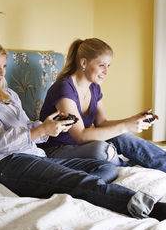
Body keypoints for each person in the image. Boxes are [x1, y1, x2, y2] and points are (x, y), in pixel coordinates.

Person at [0, 39, 166, 222]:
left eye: (4, 67)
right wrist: (42, 129)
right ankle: (149, 208)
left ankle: (69, 188)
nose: (2, 73)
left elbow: (29, 129)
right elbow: (1, 142)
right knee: (82, 180)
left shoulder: (9, 95)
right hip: (8, 163)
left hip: (36, 155)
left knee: (107, 168)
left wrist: (48, 126)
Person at [39, 38, 166, 172]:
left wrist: (131, 121)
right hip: (56, 150)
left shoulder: (94, 87)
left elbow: (102, 123)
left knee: (123, 137)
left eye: (108, 66)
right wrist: (125, 126)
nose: (106, 72)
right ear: (83, 63)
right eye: (101, 65)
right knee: (101, 150)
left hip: (80, 146)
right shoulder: (64, 88)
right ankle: (130, 168)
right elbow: (81, 136)